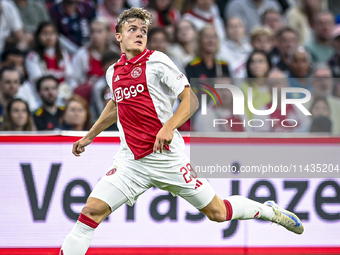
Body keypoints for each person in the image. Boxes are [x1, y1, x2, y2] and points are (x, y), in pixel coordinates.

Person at [60, 7, 304, 255]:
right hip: (130, 163)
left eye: (143, 30)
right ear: (118, 36)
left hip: (167, 158)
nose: (139, 34)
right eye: (132, 29)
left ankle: (268, 211)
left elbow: (191, 101)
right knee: (90, 213)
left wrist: (168, 126)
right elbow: (116, 104)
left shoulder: (157, 61)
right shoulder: (113, 72)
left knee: (217, 213)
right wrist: (90, 135)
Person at [25, 22, 75, 89]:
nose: (49, 37)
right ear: (38, 36)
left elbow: (70, 77)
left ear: (57, 36)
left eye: (52, 33)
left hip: (63, 92)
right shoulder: (32, 57)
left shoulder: (63, 54)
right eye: (45, 34)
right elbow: (37, 81)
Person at [241, 50, 273, 120]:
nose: (256, 65)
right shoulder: (243, 89)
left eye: (261, 61)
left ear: (269, 64)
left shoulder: (275, 87)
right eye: (253, 62)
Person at [310, 63, 340, 135]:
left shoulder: (339, 105)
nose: (324, 83)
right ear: (312, 81)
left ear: (332, 81)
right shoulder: (301, 105)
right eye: (319, 79)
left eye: (327, 78)